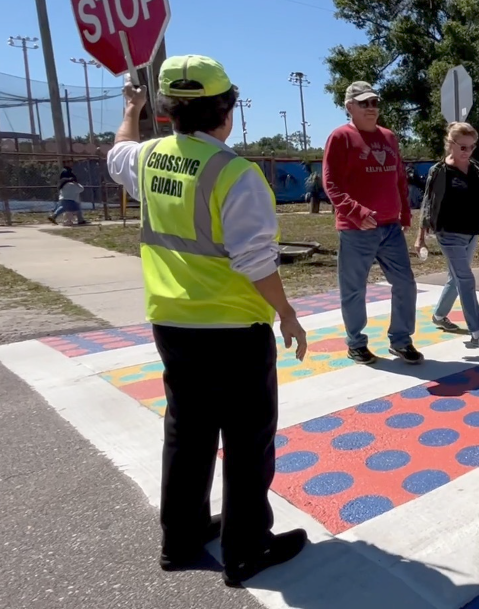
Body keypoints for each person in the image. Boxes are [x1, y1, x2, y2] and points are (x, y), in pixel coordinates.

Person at [105, 55, 309, 587]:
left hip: (171, 323)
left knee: (187, 433)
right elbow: (255, 259)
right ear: (227, 110)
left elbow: (117, 152)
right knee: (247, 441)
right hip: (234, 328)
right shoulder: (235, 174)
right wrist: (287, 314)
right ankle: (246, 548)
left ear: (168, 110)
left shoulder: (148, 158)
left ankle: (181, 537)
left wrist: (131, 110)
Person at [323, 81, 423, 365]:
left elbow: (399, 179)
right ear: (349, 107)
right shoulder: (340, 137)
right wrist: (356, 212)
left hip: (391, 227)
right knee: (354, 288)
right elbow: (330, 183)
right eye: (364, 103)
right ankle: (356, 343)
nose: (371, 108)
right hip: (356, 230)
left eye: (374, 102)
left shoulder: (389, 137)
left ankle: (401, 340)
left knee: (405, 284)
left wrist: (404, 212)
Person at [416, 121, 479, 349]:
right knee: (466, 279)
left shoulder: (474, 168)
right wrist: (420, 236)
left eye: (472, 147)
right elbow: (427, 205)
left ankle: (439, 316)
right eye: (463, 147)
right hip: (448, 233)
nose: (468, 151)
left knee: (456, 278)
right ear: (450, 144)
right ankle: (477, 333)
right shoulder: (439, 172)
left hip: (472, 233)